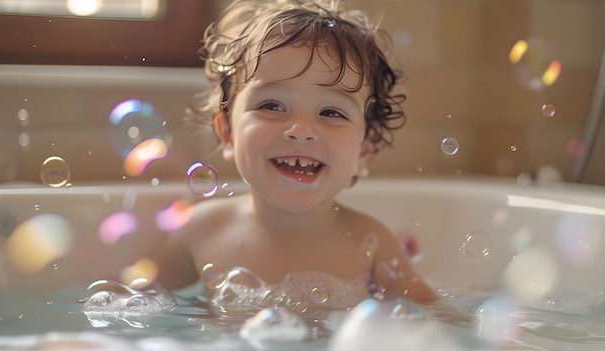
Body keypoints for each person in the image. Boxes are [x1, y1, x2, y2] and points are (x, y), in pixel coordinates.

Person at [152, 0, 437, 315]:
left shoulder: (371, 243)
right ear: (228, 132)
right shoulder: (198, 231)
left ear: (364, 150)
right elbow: (148, 310)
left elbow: (434, 317)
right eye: (272, 105)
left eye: (331, 112)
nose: (301, 130)